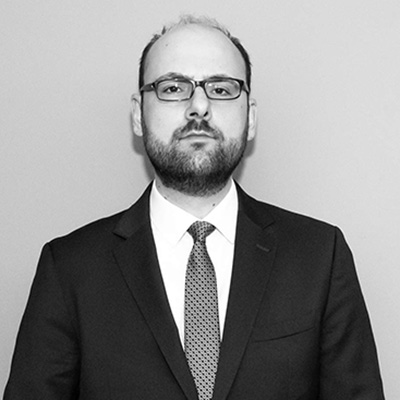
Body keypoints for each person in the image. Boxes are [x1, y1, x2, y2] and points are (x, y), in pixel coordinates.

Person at [4, 15, 385, 400]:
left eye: (221, 89)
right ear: (138, 114)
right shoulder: (69, 269)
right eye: (173, 88)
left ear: (251, 116)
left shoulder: (320, 257)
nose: (198, 107)